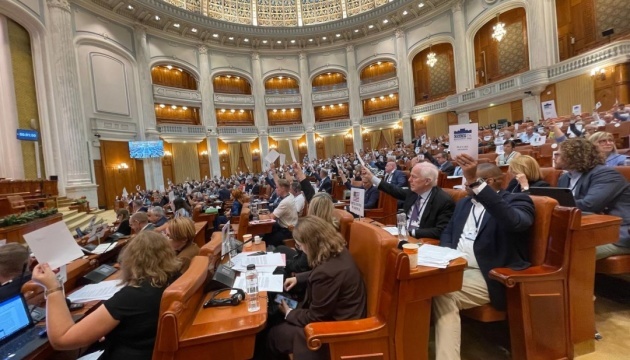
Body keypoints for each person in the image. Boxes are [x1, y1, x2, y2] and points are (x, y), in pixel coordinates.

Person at [433, 154, 535, 360]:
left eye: (468, 181)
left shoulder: (517, 200)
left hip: (490, 275)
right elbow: (448, 233)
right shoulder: (464, 204)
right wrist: (445, 257)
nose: (464, 185)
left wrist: (476, 184)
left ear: (487, 183)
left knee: (442, 292)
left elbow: (515, 222)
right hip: (456, 267)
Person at [31, 232, 180, 359]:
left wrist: (52, 287)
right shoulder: (173, 278)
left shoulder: (132, 296)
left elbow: (62, 340)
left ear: (131, 260)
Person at [266, 216, 367, 360]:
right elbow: (325, 272)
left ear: (310, 244)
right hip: (344, 314)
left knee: (273, 334)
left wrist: (289, 313)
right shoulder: (338, 250)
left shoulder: (326, 273)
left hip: (336, 329)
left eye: (300, 246)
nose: (299, 249)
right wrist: (298, 278)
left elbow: (316, 317)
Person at [555, 139, 630, 260]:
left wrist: (553, 205)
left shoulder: (606, 174)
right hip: (585, 231)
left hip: (616, 234)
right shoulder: (564, 178)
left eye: (559, 153)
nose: (555, 156)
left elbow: (589, 206)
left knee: (566, 253)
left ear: (573, 155)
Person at [362, 162, 455, 240]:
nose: (409, 180)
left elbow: (440, 230)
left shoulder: (444, 201)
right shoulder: (414, 192)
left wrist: (410, 232)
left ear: (427, 181)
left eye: (414, 177)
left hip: (419, 240)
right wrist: (371, 178)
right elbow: (393, 190)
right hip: (402, 235)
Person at [263, 179, 298, 247]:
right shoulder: (290, 195)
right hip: (290, 226)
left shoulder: (285, 202)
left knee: (266, 240)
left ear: (283, 188)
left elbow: (271, 217)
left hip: (288, 231)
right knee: (267, 233)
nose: (275, 189)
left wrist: (265, 214)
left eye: (277, 187)